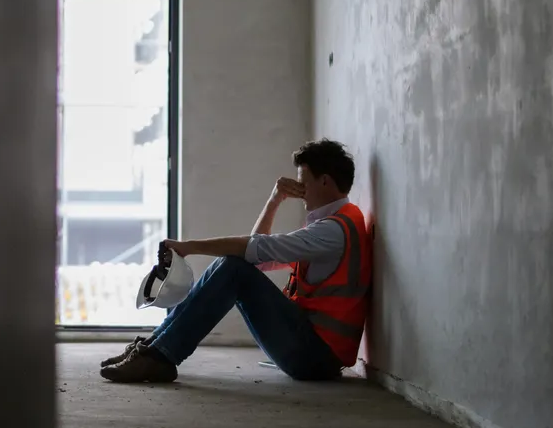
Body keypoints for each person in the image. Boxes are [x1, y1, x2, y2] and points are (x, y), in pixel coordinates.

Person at [100, 139, 371, 383]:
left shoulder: (333, 231)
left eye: (304, 182)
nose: (300, 190)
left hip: (315, 357)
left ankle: (158, 357)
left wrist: (189, 247)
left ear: (324, 182)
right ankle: (153, 347)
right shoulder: (335, 223)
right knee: (235, 266)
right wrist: (275, 200)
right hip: (312, 348)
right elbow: (258, 255)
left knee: (234, 268)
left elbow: (254, 249)